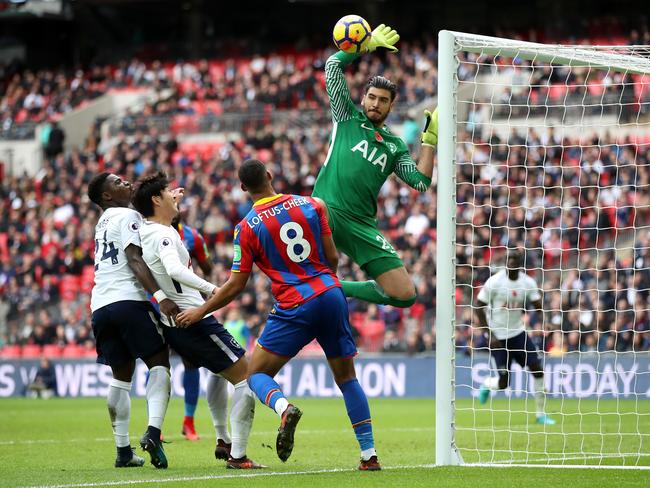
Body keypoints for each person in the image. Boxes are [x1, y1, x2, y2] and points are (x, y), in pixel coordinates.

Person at [177, 159, 381, 471]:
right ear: (270, 175)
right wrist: (328, 288)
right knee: (347, 378)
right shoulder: (313, 205)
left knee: (255, 375)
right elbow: (332, 257)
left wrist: (201, 310)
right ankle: (369, 456)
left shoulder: (245, 228)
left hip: (294, 304)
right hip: (330, 293)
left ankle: (284, 409)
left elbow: (235, 285)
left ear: (244, 189)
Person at [132, 171, 264, 470]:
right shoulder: (164, 234)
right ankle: (239, 455)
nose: (174, 195)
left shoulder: (149, 230)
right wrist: (213, 289)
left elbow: (158, 225)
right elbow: (175, 270)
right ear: (156, 199)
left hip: (177, 324)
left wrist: (170, 203)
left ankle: (222, 438)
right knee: (247, 379)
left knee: (219, 373)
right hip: (195, 318)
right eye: (167, 192)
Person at [312, 24, 437, 309]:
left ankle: (337, 288)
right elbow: (332, 66)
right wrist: (365, 45)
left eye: (383, 100)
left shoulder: (395, 146)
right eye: (372, 97)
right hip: (325, 210)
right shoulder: (346, 117)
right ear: (363, 98)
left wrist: (429, 141)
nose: (376, 104)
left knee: (405, 294)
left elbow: (420, 182)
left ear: (391, 106)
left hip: (361, 226)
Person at [87, 172, 178, 469]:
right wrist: (161, 296)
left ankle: (123, 450)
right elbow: (134, 258)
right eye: (117, 182)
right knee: (159, 363)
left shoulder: (100, 224)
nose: (126, 182)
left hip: (100, 306)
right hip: (129, 301)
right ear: (106, 196)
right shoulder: (127, 215)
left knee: (121, 378)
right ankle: (153, 430)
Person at [474, 248, 556, 425]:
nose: (511, 261)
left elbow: (537, 304)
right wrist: (488, 334)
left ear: (520, 263)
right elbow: (478, 306)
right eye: (509, 258)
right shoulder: (494, 282)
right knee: (504, 383)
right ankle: (488, 384)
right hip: (498, 337)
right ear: (505, 261)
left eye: (515, 259)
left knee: (537, 369)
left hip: (518, 333)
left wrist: (544, 321)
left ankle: (540, 415)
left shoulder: (527, 283)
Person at [172, 210, 214, 441]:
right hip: (158, 304)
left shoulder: (192, 236)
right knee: (157, 363)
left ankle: (189, 421)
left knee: (191, 362)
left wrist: (199, 260)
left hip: (186, 304)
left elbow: (208, 268)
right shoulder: (148, 231)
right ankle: (154, 425)